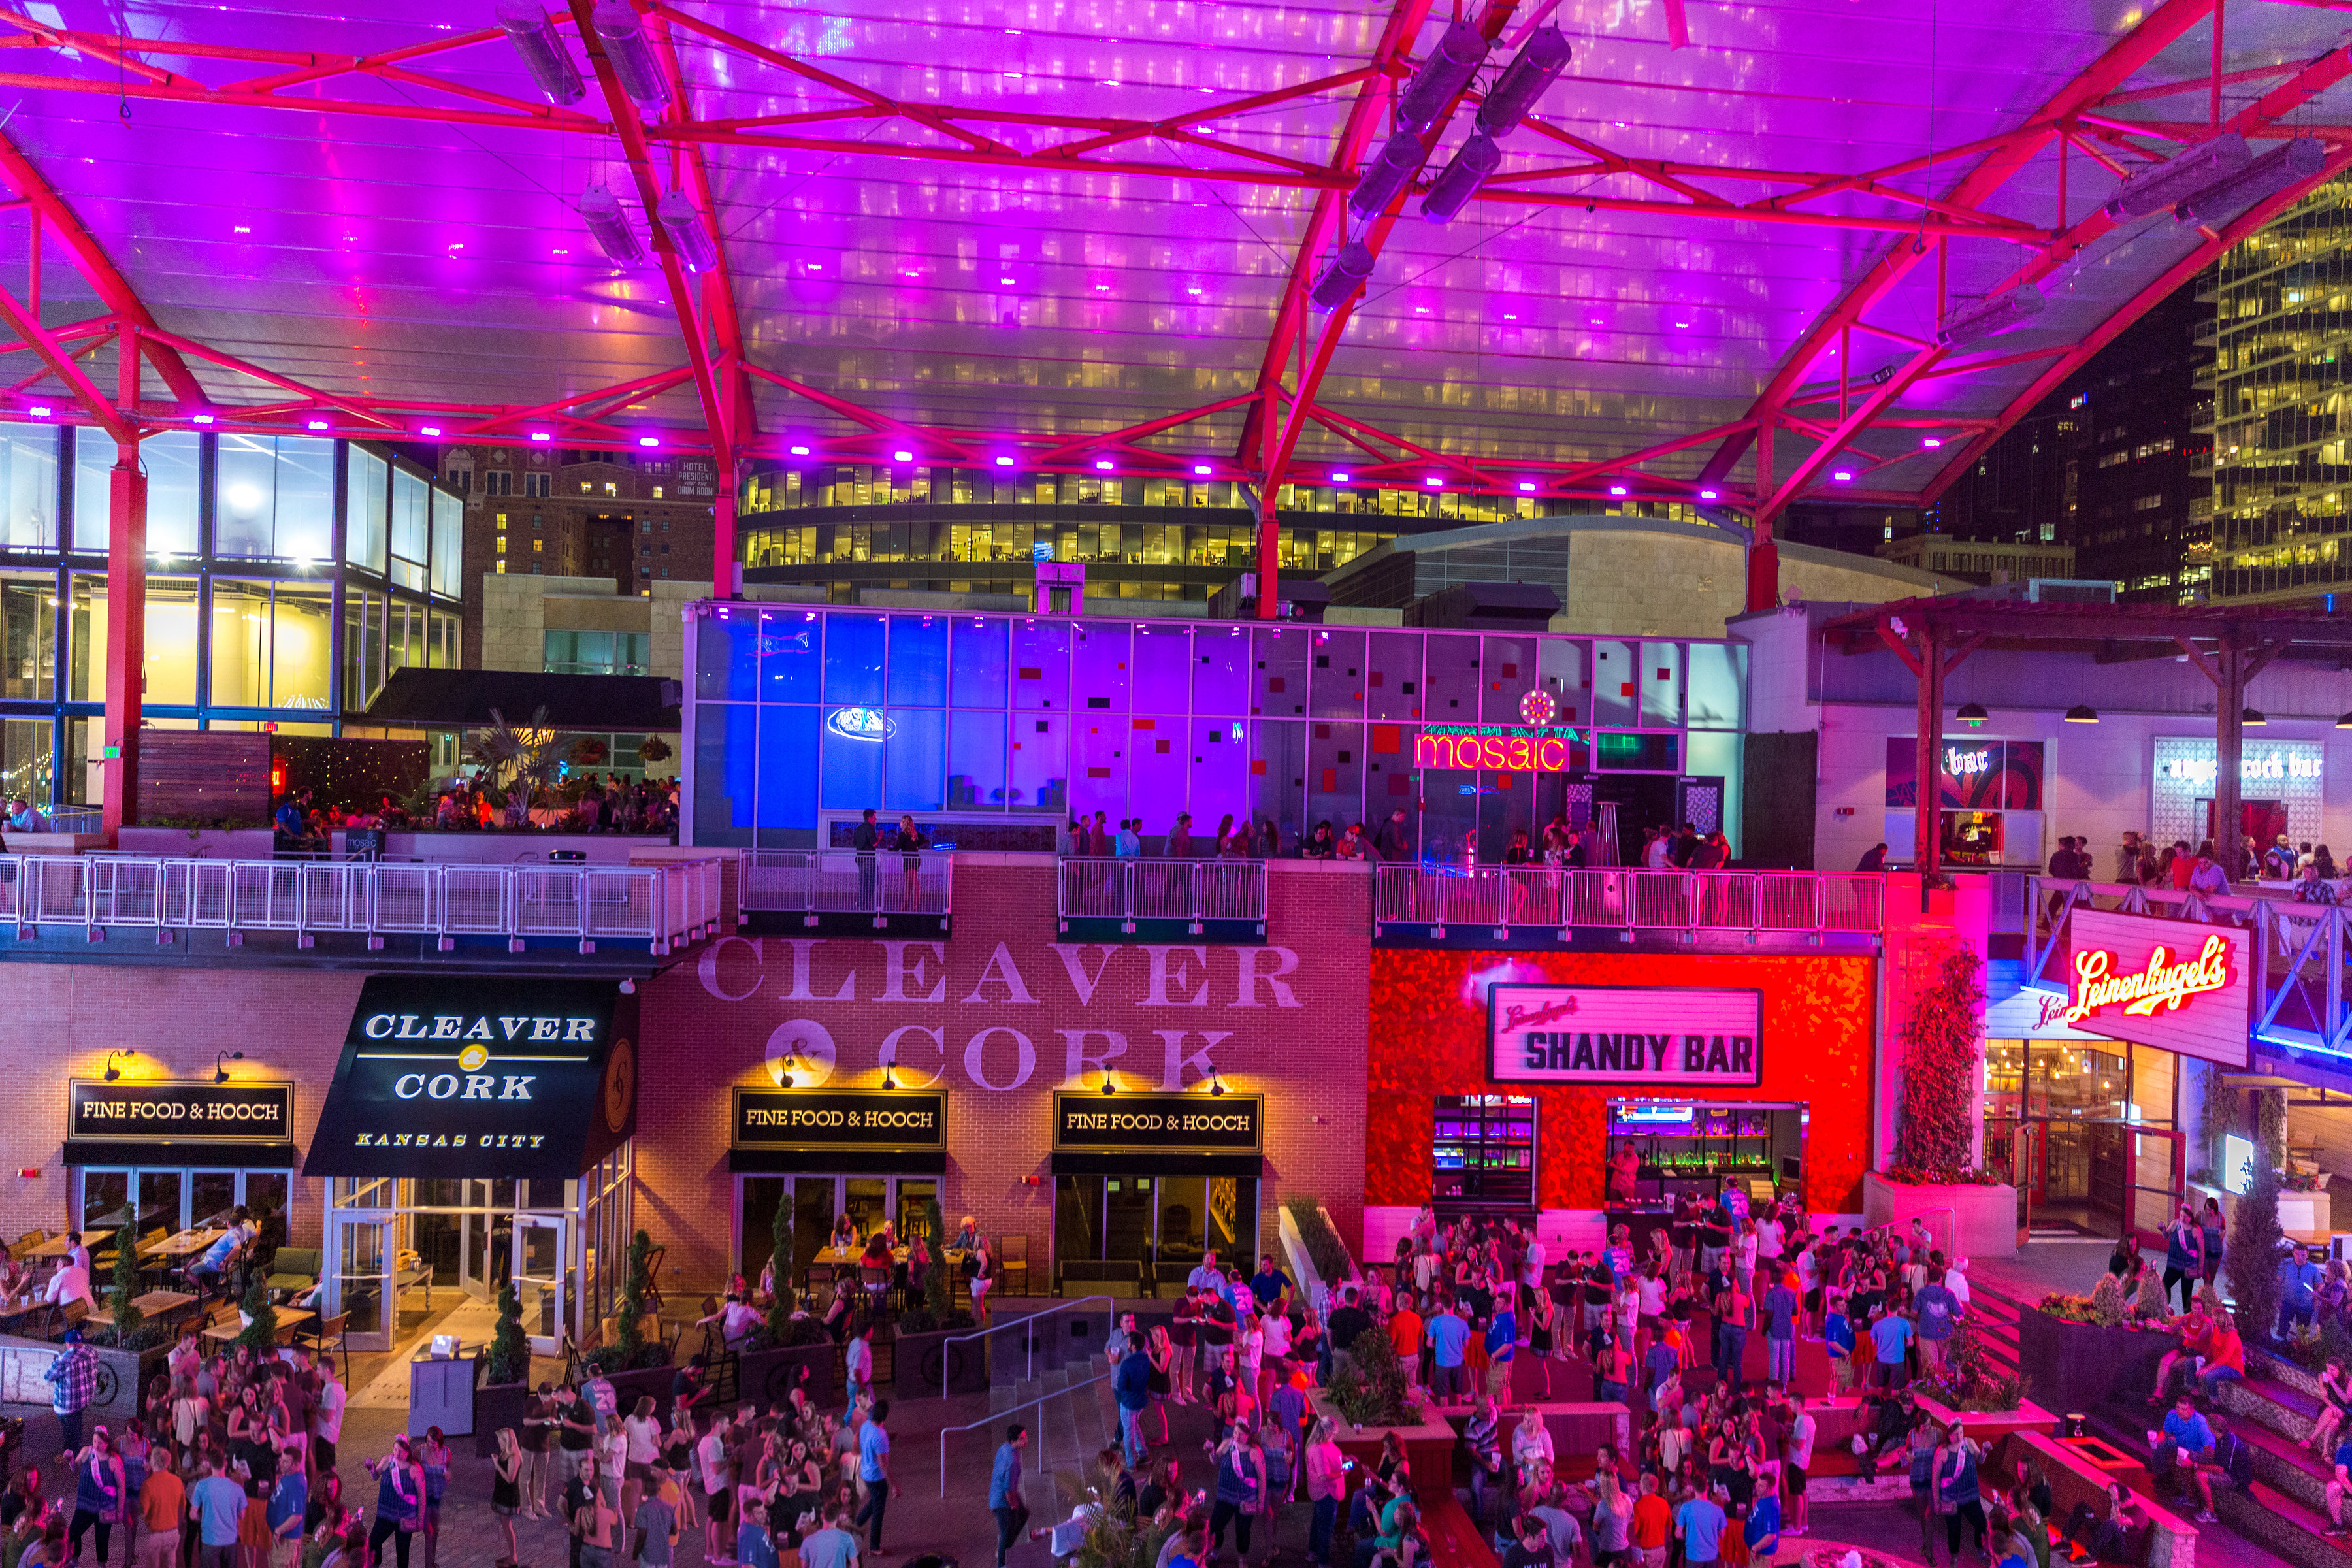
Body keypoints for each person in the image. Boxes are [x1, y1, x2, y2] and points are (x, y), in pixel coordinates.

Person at [366, 1437, 423, 1568]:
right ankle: (375, 1563)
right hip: (385, 1515)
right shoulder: (387, 1461)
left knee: (402, 1555)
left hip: (405, 1518)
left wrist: (420, 1519)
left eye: (401, 1451)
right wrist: (371, 1468)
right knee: (373, 1543)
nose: (397, 1454)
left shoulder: (415, 1469)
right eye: (395, 1449)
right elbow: (375, 1476)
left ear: (408, 1452)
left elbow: (421, 1495)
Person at [852, 1401, 894, 1556]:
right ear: (885, 1416)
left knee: (875, 1502)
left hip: (866, 1473)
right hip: (877, 1478)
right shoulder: (881, 1436)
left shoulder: (865, 1426)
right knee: (878, 1512)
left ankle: (856, 1526)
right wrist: (894, 1485)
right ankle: (874, 1547)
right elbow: (884, 1464)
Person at [46, 1329, 97, 1458]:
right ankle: (72, 1452)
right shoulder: (92, 1353)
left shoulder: (63, 1360)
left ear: (68, 1343)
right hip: (83, 1399)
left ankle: (72, 1456)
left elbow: (48, 1377)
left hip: (67, 1404)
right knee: (76, 1425)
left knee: (70, 1431)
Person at [988, 1424, 1028, 1568]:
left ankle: (1006, 1546)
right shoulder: (1013, 1462)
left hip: (1001, 1493)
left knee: (1023, 1515)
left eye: (1025, 1436)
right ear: (1014, 1441)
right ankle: (1002, 1564)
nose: (1026, 1440)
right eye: (1022, 1438)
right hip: (1002, 1501)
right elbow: (1007, 1490)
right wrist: (1013, 1505)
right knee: (1008, 1531)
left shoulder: (1004, 1448)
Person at [191, 1462, 246, 1568]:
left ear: (211, 1467)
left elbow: (193, 1515)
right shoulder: (237, 1488)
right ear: (225, 1465)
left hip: (210, 1540)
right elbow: (242, 1515)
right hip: (230, 1541)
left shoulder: (201, 1486)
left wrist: (203, 1518)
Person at [1673, 1482, 1727, 1568]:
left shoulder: (1685, 1508)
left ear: (1694, 1489)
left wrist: (1686, 1536)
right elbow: (1722, 1534)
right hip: (1711, 1556)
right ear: (1707, 1488)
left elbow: (1678, 1534)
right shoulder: (1718, 1510)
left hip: (1693, 1556)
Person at [851, 809, 879, 909]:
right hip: (869, 859)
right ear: (870, 818)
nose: (876, 819)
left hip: (860, 859)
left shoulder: (859, 828)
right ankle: (863, 905)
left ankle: (860, 903)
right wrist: (880, 837)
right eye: (875, 817)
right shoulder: (870, 827)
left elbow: (854, 843)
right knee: (872, 883)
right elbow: (874, 843)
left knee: (864, 883)